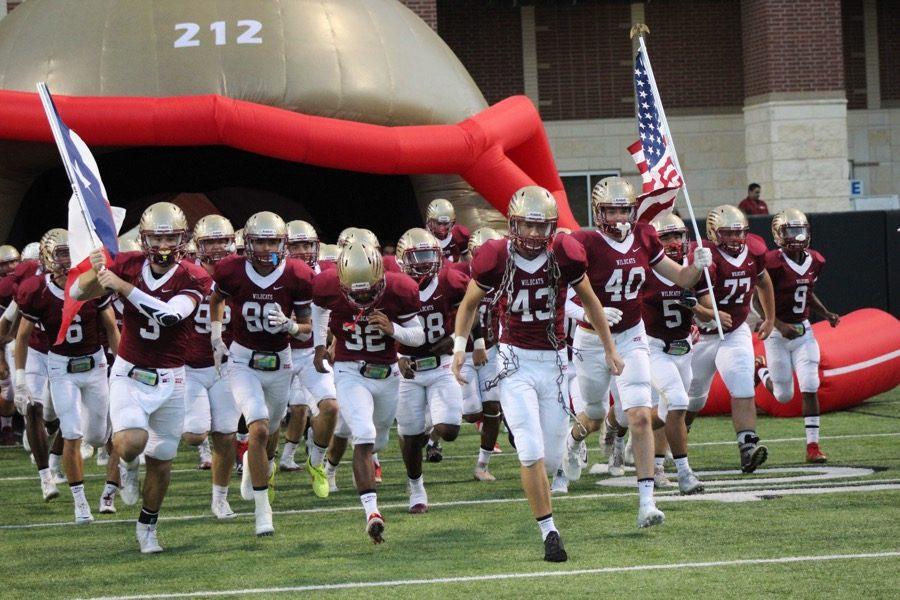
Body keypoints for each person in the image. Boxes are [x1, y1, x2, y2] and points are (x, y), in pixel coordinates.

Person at [452, 186, 623, 563]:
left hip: (555, 363)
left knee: (547, 460)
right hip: (515, 363)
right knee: (529, 450)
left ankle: (549, 464)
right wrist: (460, 348)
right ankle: (549, 532)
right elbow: (468, 305)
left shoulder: (564, 253)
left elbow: (591, 301)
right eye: (526, 226)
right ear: (513, 224)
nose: (533, 234)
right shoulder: (495, 255)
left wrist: (610, 347)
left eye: (541, 226)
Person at [561, 177, 710, 528]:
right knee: (595, 412)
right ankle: (572, 441)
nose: (617, 216)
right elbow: (564, 298)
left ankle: (647, 503)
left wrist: (697, 266)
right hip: (591, 341)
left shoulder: (644, 235)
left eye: (622, 208)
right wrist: (588, 313)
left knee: (641, 415)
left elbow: (683, 279)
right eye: (609, 209)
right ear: (597, 212)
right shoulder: (583, 242)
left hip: (632, 334)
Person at [73, 201, 211, 554]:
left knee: (163, 460)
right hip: (130, 373)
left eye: (171, 238)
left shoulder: (194, 276)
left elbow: (169, 316)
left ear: (183, 240)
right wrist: (94, 270)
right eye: (157, 238)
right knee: (132, 442)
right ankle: (127, 467)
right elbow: (76, 293)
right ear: (144, 239)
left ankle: (147, 526)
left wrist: (119, 284)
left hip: (172, 378)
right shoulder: (128, 264)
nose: (164, 247)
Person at [209, 211, 315, 536]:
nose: (267, 247)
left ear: (282, 243)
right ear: (248, 243)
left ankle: (257, 469)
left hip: (280, 360)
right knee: (257, 428)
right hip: (242, 360)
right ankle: (262, 510)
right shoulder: (230, 269)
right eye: (260, 240)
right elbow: (217, 299)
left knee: (270, 437)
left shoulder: (297, 273)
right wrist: (216, 336)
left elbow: (307, 328)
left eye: (273, 240)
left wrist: (292, 326)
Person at [312, 242, 422, 544]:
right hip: (349, 371)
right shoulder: (328, 284)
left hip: (386, 374)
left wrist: (394, 331)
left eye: (368, 290)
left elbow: (419, 333)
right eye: (354, 291)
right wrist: (320, 344)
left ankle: (333, 464)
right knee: (364, 435)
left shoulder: (400, 288)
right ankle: (372, 512)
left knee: (379, 439)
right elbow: (318, 310)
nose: (361, 297)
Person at [16, 229, 122, 523]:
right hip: (60, 366)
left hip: (94, 364)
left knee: (98, 435)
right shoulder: (36, 290)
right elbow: (23, 337)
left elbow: (112, 328)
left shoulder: (92, 284)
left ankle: (114, 477)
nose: (66, 259)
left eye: (69, 252)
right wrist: (21, 378)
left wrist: (125, 364)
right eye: (60, 253)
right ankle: (80, 503)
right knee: (72, 432)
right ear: (47, 256)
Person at [687, 205, 776, 473]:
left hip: (735, 331)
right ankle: (675, 438)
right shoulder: (704, 256)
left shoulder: (755, 250)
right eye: (728, 233)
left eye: (740, 233)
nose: (736, 239)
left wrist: (770, 317)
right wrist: (713, 314)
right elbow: (701, 298)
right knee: (692, 400)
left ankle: (747, 448)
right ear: (714, 233)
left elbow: (764, 282)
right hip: (701, 335)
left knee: (743, 386)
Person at [756, 208, 839, 463]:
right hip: (777, 335)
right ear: (778, 234)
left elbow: (806, 290)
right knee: (783, 395)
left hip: (803, 331)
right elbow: (756, 299)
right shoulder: (770, 261)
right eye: (791, 230)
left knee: (811, 384)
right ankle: (761, 370)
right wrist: (778, 325)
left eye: (801, 230)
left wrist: (825, 313)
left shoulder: (815, 259)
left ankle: (812, 447)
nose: (797, 236)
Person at [394, 228, 468, 513]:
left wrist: (456, 338)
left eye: (429, 255)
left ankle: (429, 434)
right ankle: (416, 488)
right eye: (418, 256)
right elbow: (381, 326)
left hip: (440, 366)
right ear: (402, 260)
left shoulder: (450, 280)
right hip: (408, 369)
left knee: (449, 429)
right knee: (410, 436)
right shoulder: (394, 286)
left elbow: (470, 311)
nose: (425, 262)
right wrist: (396, 355)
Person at [182, 215, 242, 519]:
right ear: (198, 245)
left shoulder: (240, 274)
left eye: (222, 240)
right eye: (210, 241)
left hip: (225, 366)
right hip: (189, 365)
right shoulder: (187, 275)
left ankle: (220, 499)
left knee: (226, 435)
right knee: (194, 434)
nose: (217, 247)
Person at [641, 214, 705, 494]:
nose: (674, 242)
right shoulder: (643, 270)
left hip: (684, 348)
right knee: (678, 402)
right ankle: (684, 473)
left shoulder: (690, 270)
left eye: (678, 236)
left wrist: (699, 311)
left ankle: (635, 427)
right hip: (654, 347)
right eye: (666, 237)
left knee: (666, 412)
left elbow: (707, 309)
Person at [278, 220, 339, 500]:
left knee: (329, 407)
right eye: (295, 245)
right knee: (268, 421)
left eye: (306, 245)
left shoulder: (327, 275)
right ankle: (265, 469)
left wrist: (334, 341)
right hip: (274, 353)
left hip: (309, 352)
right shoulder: (273, 274)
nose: (302, 251)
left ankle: (316, 462)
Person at [458, 227, 505, 482]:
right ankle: (436, 420)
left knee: (492, 407)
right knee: (471, 411)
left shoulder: (507, 276)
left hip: (493, 349)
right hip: (465, 353)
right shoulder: (460, 277)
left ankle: (482, 464)